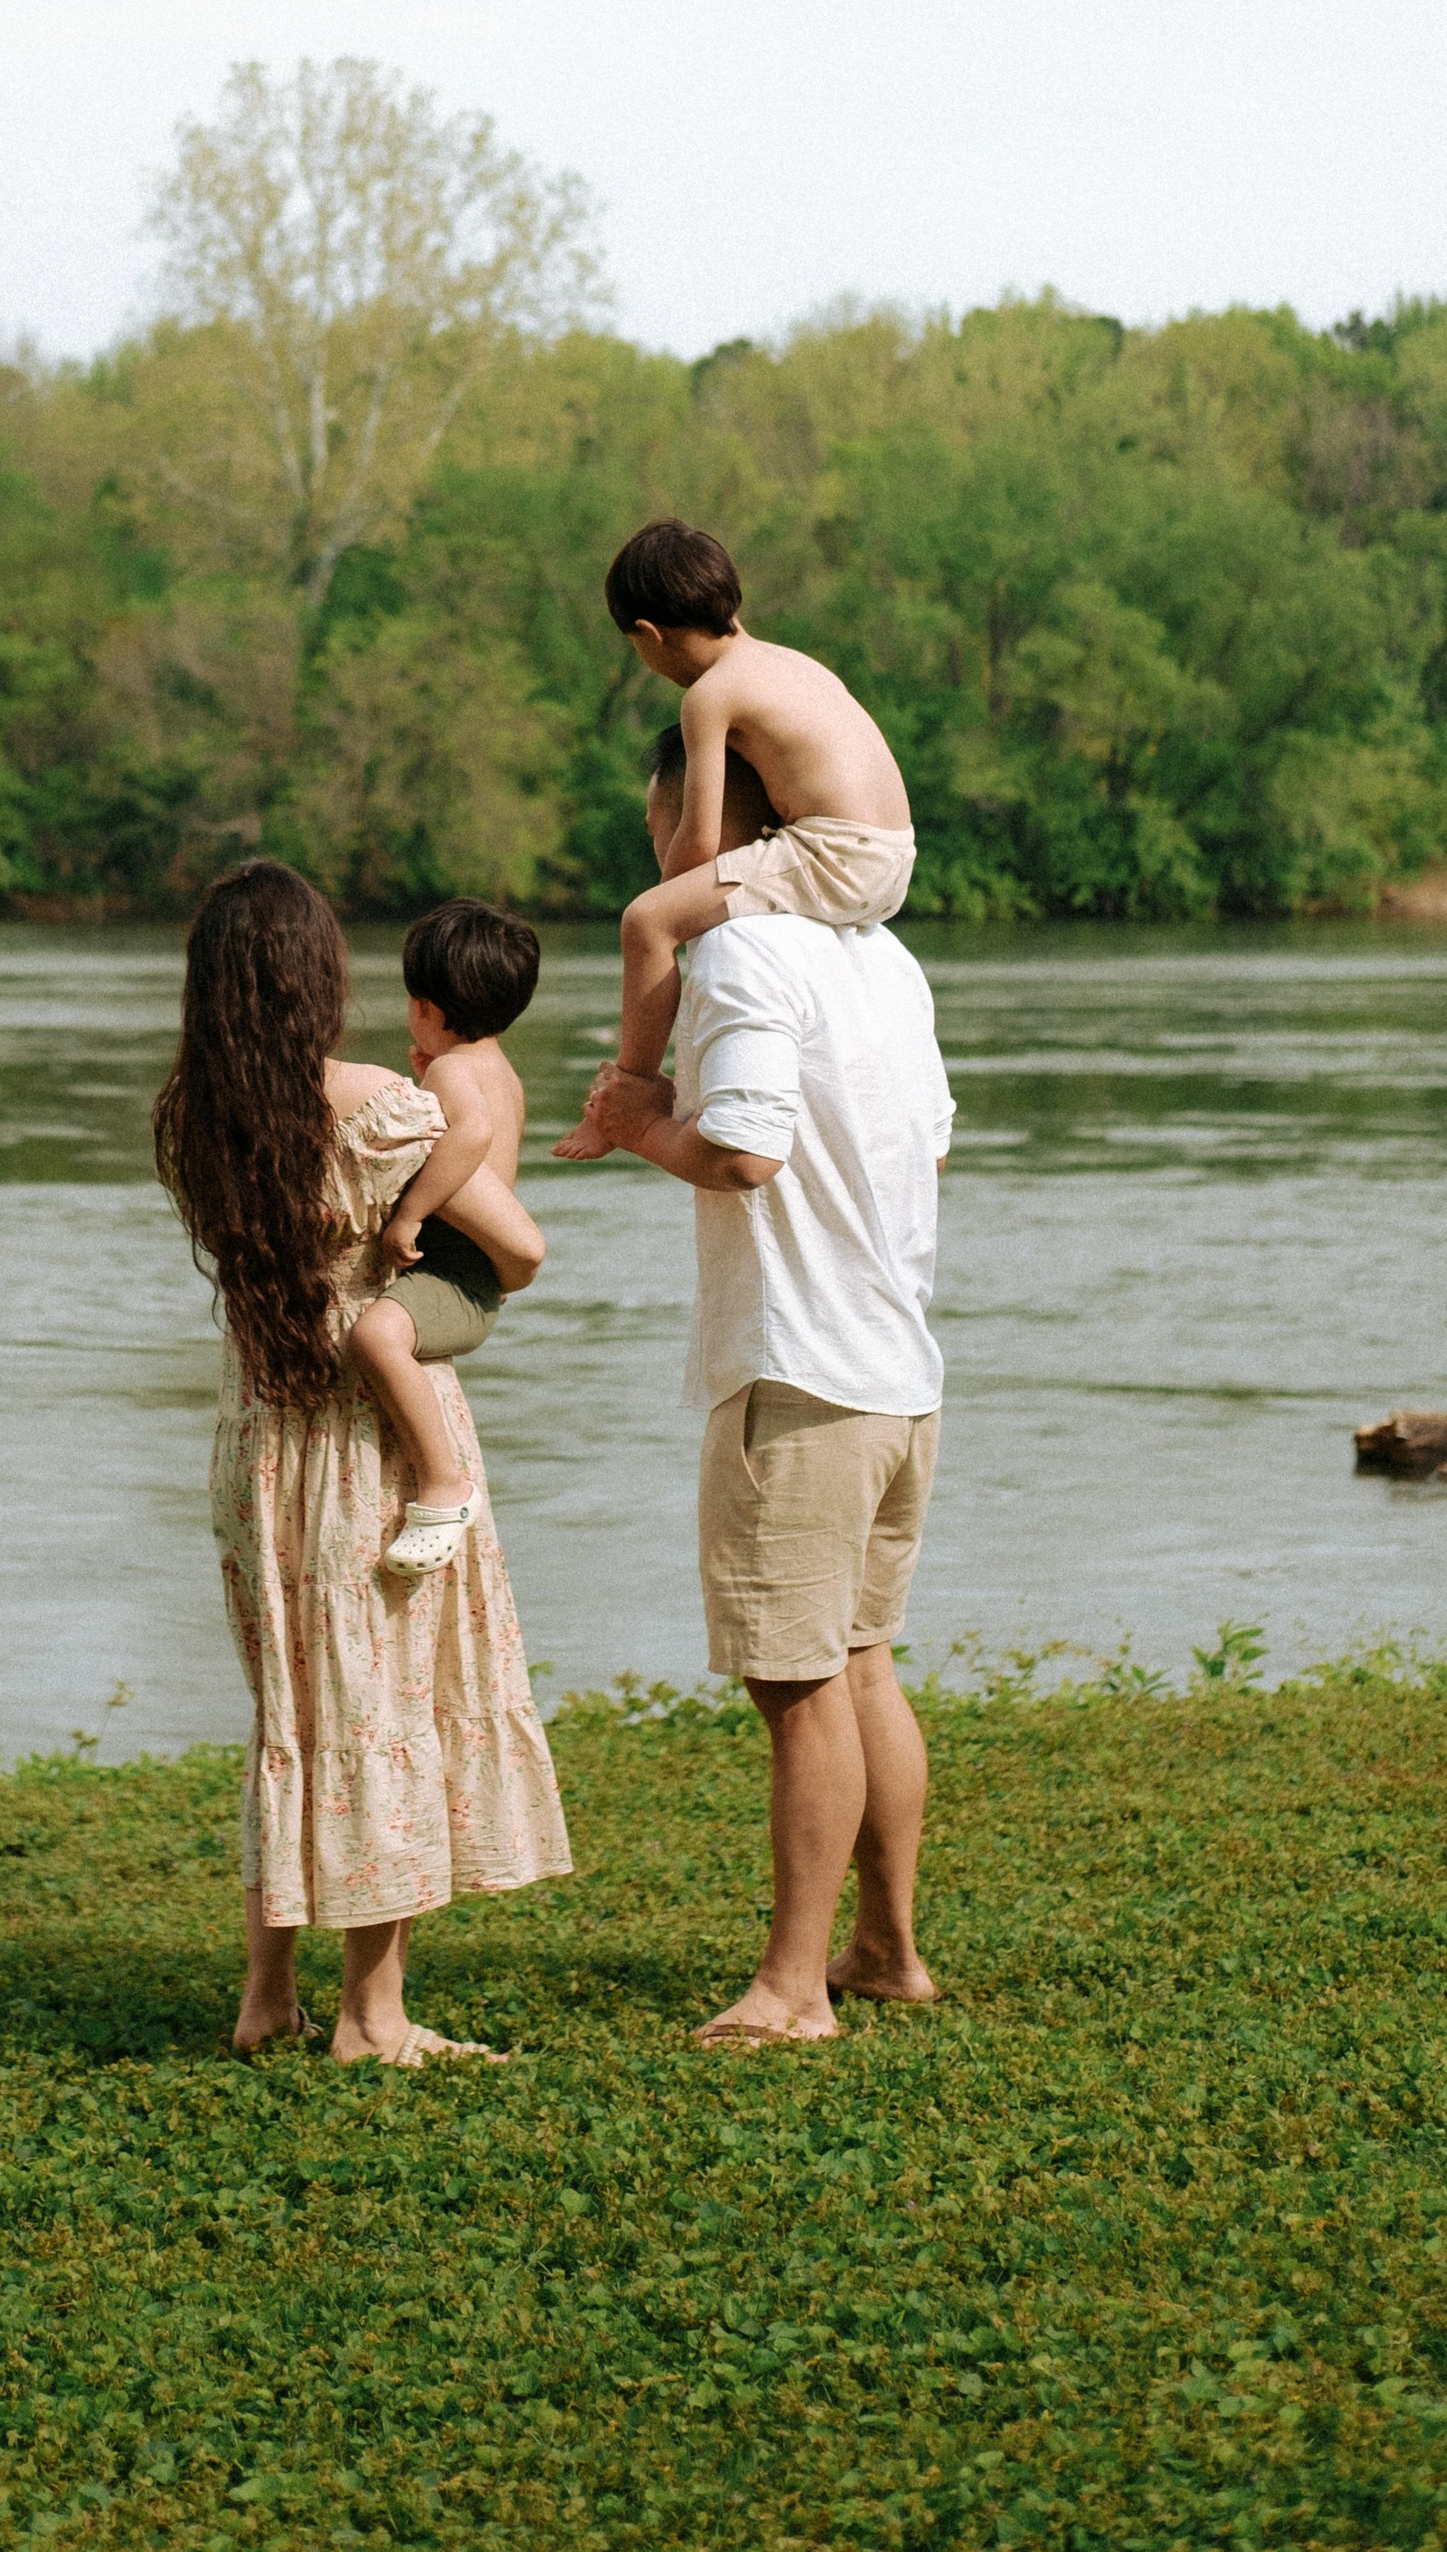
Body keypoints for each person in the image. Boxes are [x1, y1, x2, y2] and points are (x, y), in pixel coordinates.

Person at [556, 730, 952, 2044]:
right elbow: (929, 1148)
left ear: (718, 822)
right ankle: (885, 1950)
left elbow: (741, 1154)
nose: (657, 851)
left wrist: (631, 1123)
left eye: (663, 822)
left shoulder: (739, 951)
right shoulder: (887, 963)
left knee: (797, 1689)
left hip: (798, 1372)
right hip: (899, 1377)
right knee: (861, 1665)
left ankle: (792, 1990)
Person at [155, 859, 572, 2063]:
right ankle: (373, 2018)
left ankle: (263, 1998)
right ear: (316, 981)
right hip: (364, 1443)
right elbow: (520, 1249)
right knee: (378, 1709)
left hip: (254, 1443)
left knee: (295, 1714)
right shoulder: (378, 1104)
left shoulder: (193, 1113)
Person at [552, 520, 916, 1156]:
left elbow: (700, 834)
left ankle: (629, 1089)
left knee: (644, 922)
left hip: (838, 855)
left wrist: (670, 908)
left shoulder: (710, 694)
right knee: (664, 918)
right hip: (894, 857)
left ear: (648, 635)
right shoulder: (792, 662)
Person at [346, 897, 548, 1577]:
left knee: (374, 1335)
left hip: (458, 1277)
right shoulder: (498, 1070)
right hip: (472, 1277)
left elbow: (472, 1136)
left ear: (427, 1007)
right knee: (380, 1333)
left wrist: (406, 1217)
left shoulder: (452, 1071)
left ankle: (443, 1483)